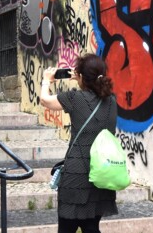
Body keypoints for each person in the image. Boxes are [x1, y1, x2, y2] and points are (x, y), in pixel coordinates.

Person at [40, 54, 118, 233]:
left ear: (81, 77)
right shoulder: (112, 101)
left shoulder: (75, 98)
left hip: (76, 175)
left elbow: (45, 100)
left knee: (67, 229)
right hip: (102, 173)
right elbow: (94, 94)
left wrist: (46, 81)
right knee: (91, 227)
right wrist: (83, 79)